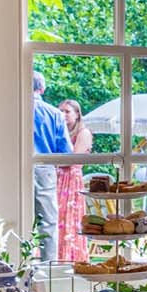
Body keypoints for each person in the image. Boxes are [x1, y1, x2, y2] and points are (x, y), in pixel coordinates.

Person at [31, 71, 69, 260]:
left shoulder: (13, 108)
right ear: (42, 89)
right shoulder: (54, 113)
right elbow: (66, 152)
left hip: (14, 167)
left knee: (17, 215)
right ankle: (49, 267)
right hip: (45, 168)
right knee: (47, 221)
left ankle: (21, 264)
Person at [57, 99, 91, 262]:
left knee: (70, 218)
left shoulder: (83, 133)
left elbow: (72, 159)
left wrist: (53, 160)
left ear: (77, 114)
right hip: (58, 179)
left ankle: (72, 257)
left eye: (67, 111)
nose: (63, 115)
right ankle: (56, 257)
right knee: (56, 219)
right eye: (61, 111)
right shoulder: (60, 132)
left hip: (71, 180)